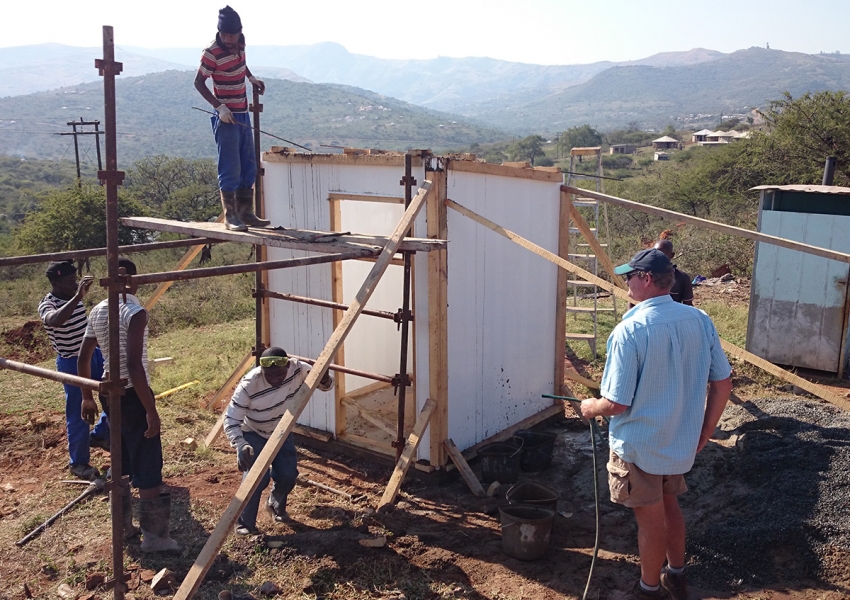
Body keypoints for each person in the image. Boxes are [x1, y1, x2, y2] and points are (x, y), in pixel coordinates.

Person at [580, 248, 732, 600]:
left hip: (640, 446)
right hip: (678, 441)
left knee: (650, 520)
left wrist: (591, 407)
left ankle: (648, 589)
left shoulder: (629, 330)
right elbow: (723, 383)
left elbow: (616, 403)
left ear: (646, 279)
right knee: (669, 507)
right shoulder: (699, 320)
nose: (626, 284)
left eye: (629, 277)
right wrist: (705, 432)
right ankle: (676, 575)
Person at [78, 257, 180, 553]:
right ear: (134, 280)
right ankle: (156, 539)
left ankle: (122, 529)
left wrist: (87, 395)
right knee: (148, 459)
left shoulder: (97, 310)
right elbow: (135, 365)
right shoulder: (135, 313)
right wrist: (152, 410)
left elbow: (84, 358)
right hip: (133, 393)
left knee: (119, 456)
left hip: (109, 392)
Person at [223, 346, 334, 535]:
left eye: (280, 375)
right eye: (270, 375)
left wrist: (323, 376)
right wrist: (240, 444)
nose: (275, 379)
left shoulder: (299, 369)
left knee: (288, 474)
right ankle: (244, 524)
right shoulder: (249, 384)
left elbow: (326, 386)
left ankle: (275, 505)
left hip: (281, 429)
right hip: (254, 431)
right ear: (262, 370)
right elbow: (231, 419)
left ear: (287, 367)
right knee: (256, 478)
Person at [194, 5, 270, 232]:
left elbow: (241, 63)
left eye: (232, 35)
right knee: (231, 166)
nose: (228, 39)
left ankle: (246, 212)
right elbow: (199, 82)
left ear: (239, 33)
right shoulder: (211, 52)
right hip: (226, 117)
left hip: (242, 113)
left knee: (248, 164)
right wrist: (219, 107)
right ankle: (231, 216)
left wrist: (251, 77)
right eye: (224, 35)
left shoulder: (240, 44)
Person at [38, 260, 110, 481]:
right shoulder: (47, 304)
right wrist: (77, 297)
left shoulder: (73, 298)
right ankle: (78, 463)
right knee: (80, 412)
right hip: (71, 363)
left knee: (114, 396)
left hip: (94, 356)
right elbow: (55, 321)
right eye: (69, 281)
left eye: (75, 280)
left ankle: (98, 435)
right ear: (55, 282)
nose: (74, 284)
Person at [653, 239, 693, 306]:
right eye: (655, 252)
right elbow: (633, 301)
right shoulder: (646, 275)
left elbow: (688, 304)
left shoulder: (682, 278)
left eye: (662, 253)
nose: (658, 256)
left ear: (672, 255)